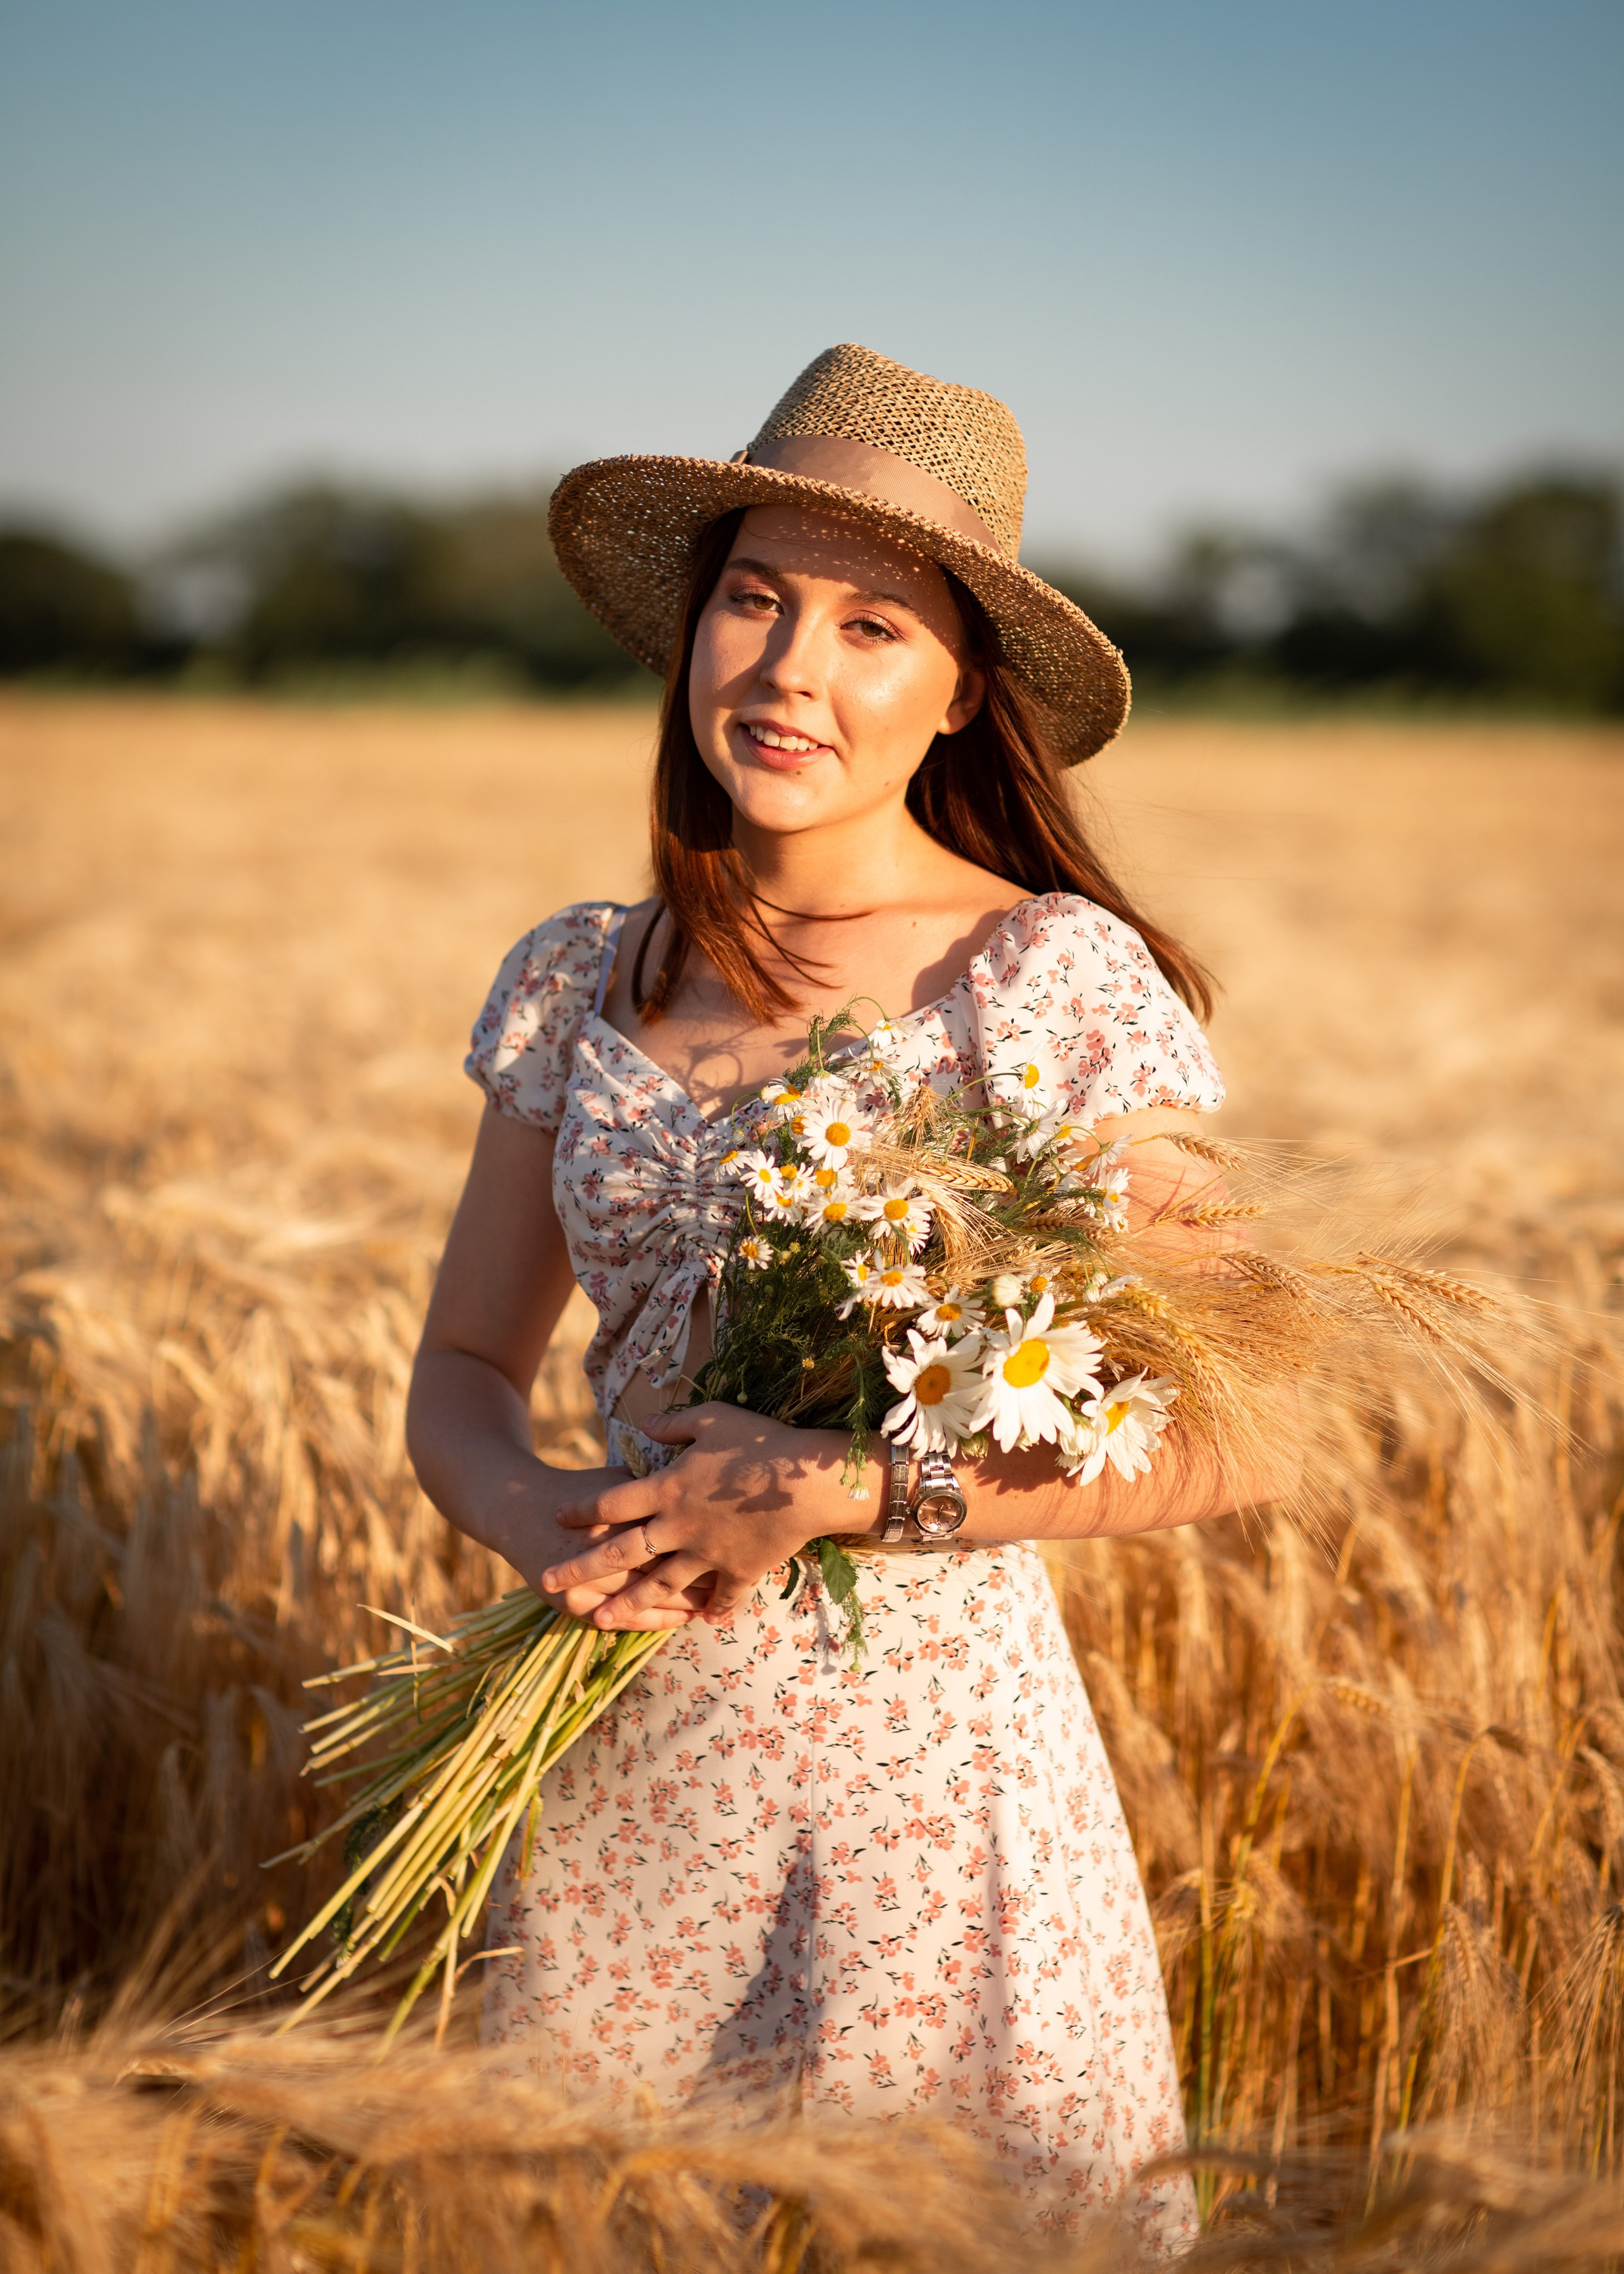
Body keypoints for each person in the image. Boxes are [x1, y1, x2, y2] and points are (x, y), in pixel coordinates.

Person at [406, 344, 1292, 2249]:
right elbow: (467, 1364)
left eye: (872, 623)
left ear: (961, 688)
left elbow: (1237, 1427)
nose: (791, 666)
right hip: (623, 1767)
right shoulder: (584, 974)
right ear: (691, 630)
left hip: (931, 1794)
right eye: (754, 597)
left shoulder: (1045, 979)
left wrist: (848, 1492)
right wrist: (528, 1508)